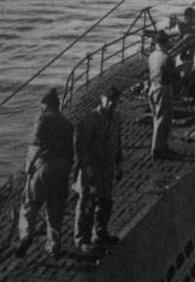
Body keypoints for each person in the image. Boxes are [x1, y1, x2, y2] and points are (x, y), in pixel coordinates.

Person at [16, 88, 73, 259]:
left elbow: (35, 146)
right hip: (63, 168)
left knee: (29, 203)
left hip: (44, 167)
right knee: (55, 208)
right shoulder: (67, 123)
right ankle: (54, 244)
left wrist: (28, 170)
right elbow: (71, 153)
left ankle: (26, 235)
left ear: (45, 106)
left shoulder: (42, 119)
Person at [73, 84, 124, 253]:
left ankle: (100, 234)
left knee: (105, 202)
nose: (111, 104)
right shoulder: (90, 120)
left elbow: (118, 142)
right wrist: (86, 167)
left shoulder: (116, 118)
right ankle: (82, 240)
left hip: (108, 167)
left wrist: (119, 164)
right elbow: (81, 146)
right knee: (87, 204)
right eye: (108, 100)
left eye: (114, 101)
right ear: (102, 99)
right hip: (92, 169)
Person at [148, 30, 177, 160]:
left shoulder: (152, 55)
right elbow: (173, 75)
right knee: (163, 121)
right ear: (165, 43)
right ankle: (157, 150)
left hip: (152, 88)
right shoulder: (167, 57)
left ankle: (163, 146)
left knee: (157, 119)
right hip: (163, 89)